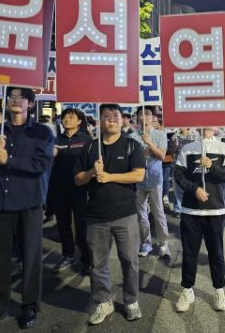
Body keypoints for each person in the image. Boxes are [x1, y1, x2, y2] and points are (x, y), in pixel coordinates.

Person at [0, 88, 54, 331]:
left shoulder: (41, 132)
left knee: (31, 258)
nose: (16, 100)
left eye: (21, 97)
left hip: (28, 204)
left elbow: (40, 165)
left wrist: (8, 158)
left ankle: (29, 305)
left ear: (30, 104)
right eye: (12, 97)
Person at [74, 104, 146, 325]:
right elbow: (77, 179)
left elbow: (138, 176)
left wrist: (109, 176)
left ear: (122, 119)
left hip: (125, 214)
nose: (111, 120)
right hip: (96, 216)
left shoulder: (131, 145)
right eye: (106, 116)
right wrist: (91, 172)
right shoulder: (89, 148)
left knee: (130, 261)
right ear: (100, 120)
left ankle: (131, 300)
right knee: (98, 264)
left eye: (115, 116)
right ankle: (103, 301)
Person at [173, 127, 225, 313]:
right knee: (190, 252)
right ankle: (187, 289)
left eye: (212, 123)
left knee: (216, 253)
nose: (207, 126)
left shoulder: (223, 148)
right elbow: (178, 174)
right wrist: (194, 189)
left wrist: (211, 166)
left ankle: (218, 289)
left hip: (215, 210)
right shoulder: (188, 148)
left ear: (216, 127)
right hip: (190, 210)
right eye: (204, 122)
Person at [49, 108, 93, 274]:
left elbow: (91, 164)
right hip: (60, 187)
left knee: (82, 224)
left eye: (71, 117)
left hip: (80, 188)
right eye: (64, 117)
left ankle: (87, 259)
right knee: (62, 223)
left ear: (79, 121)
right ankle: (68, 254)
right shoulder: (55, 140)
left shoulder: (86, 140)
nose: (67, 119)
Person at [130, 106, 171, 258]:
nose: (145, 116)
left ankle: (163, 243)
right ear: (137, 117)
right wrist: (140, 154)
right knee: (141, 214)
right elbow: (130, 159)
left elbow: (161, 155)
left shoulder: (160, 134)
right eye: (141, 113)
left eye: (147, 113)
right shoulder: (132, 136)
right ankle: (145, 242)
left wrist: (150, 144)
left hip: (155, 179)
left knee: (158, 212)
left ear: (153, 117)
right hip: (138, 179)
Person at [171, 128, 199, 217]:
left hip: (190, 165)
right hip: (177, 165)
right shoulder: (175, 137)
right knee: (177, 188)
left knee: (190, 187)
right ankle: (178, 209)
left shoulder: (194, 137)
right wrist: (175, 146)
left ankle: (190, 207)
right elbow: (171, 152)